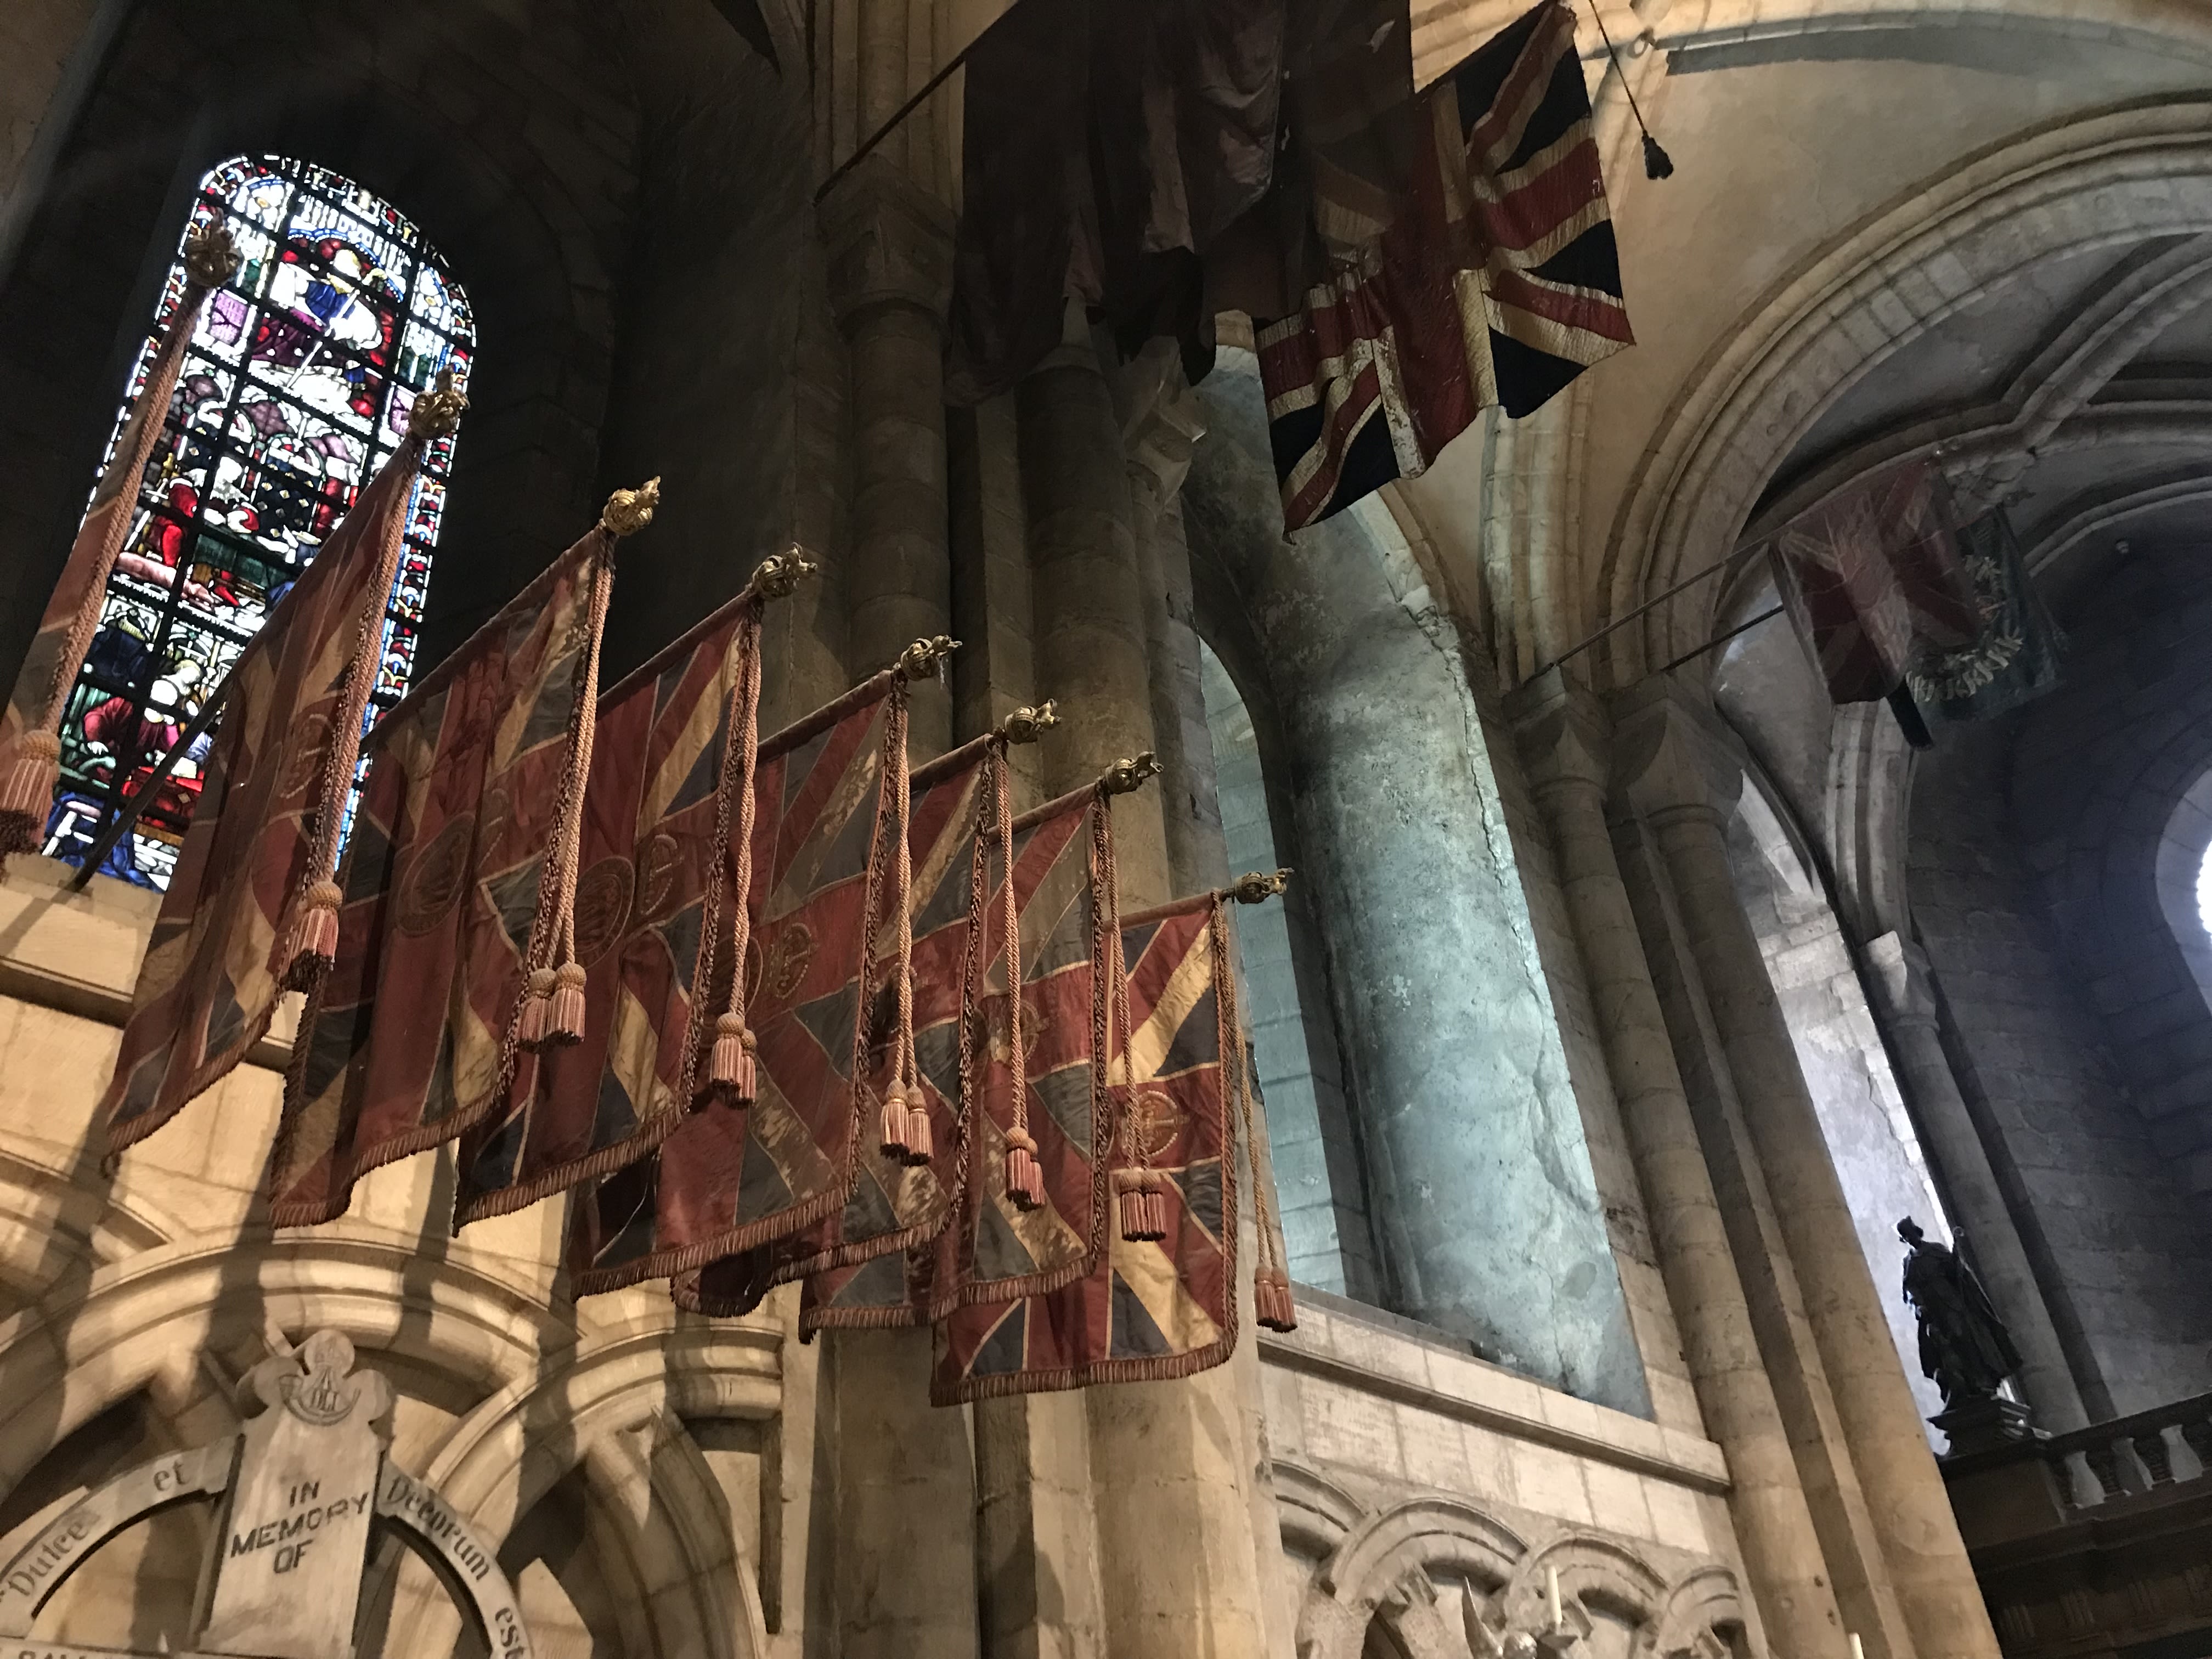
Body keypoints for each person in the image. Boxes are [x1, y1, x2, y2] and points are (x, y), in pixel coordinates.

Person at [1899, 1215, 2022, 1405]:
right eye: (1906, 1237)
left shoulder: (1935, 1249)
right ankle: (1960, 1385)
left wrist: (1956, 1255)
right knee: (1942, 1346)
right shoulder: (1909, 1261)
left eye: (1911, 1234)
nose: (1910, 1238)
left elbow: (1954, 1271)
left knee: (1964, 1337)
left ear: (1917, 1232)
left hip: (1950, 1301)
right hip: (1932, 1310)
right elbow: (1909, 1287)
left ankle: (1980, 1380)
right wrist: (1918, 1305)